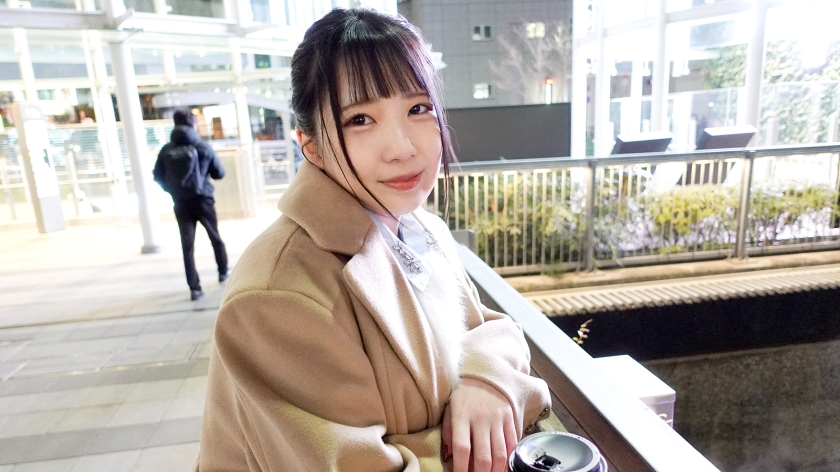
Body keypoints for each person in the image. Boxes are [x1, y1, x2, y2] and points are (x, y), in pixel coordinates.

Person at [198, 8, 550, 472]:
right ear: (311, 145)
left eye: (418, 109)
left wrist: (484, 382)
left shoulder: (418, 226)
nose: (403, 148)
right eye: (361, 119)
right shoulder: (276, 296)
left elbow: (487, 327)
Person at [153, 109, 229, 301]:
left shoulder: (166, 150)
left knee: (187, 245)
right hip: (203, 200)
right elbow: (219, 173)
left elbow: (157, 176)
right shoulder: (202, 147)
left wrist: (173, 190)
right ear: (193, 124)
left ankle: (194, 288)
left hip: (180, 202)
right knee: (215, 237)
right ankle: (223, 272)